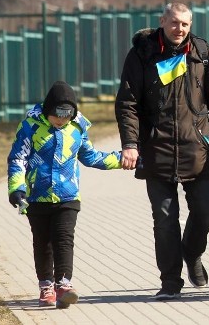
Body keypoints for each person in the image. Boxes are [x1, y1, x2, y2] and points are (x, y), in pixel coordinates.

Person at [115, 2, 209, 301]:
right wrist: (130, 145)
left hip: (196, 148)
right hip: (155, 149)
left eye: (185, 24)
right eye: (174, 23)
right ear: (162, 21)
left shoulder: (202, 53)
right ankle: (170, 281)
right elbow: (127, 103)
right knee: (165, 219)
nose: (179, 29)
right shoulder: (142, 54)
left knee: (205, 211)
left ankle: (192, 253)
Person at [7, 81, 123, 309]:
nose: (61, 120)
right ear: (48, 110)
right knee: (43, 243)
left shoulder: (77, 128)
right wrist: (16, 189)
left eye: (67, 116)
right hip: (37, 197)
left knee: (64, 239)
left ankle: (64, 285)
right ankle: (46, 286)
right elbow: (17, 159)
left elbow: (91, 157)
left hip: (68, 196)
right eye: (57, 115)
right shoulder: (30, 126)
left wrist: (123, 160)